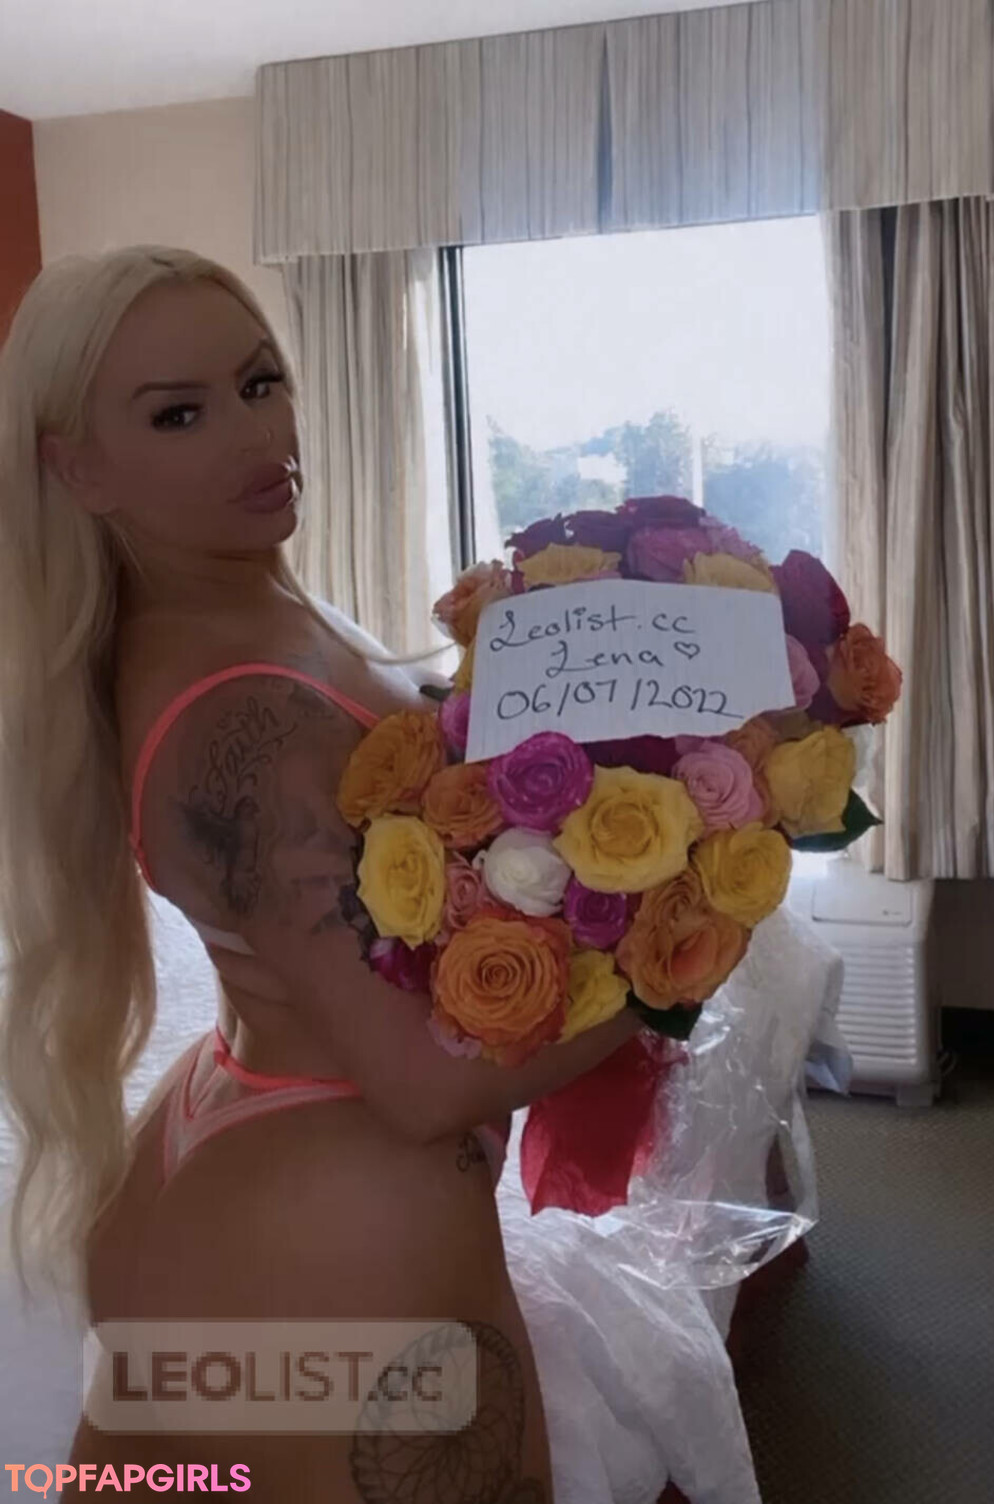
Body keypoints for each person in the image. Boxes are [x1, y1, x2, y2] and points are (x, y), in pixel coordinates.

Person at [0, 246, 643, 1501]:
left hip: (239, 1137)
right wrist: (688, 949)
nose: (257, 435)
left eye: (259, 383)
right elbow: (420, 1081)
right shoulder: (243, 720)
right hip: (342, 1216)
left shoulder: (231, 612)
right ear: (77, 467)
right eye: (178, 413)